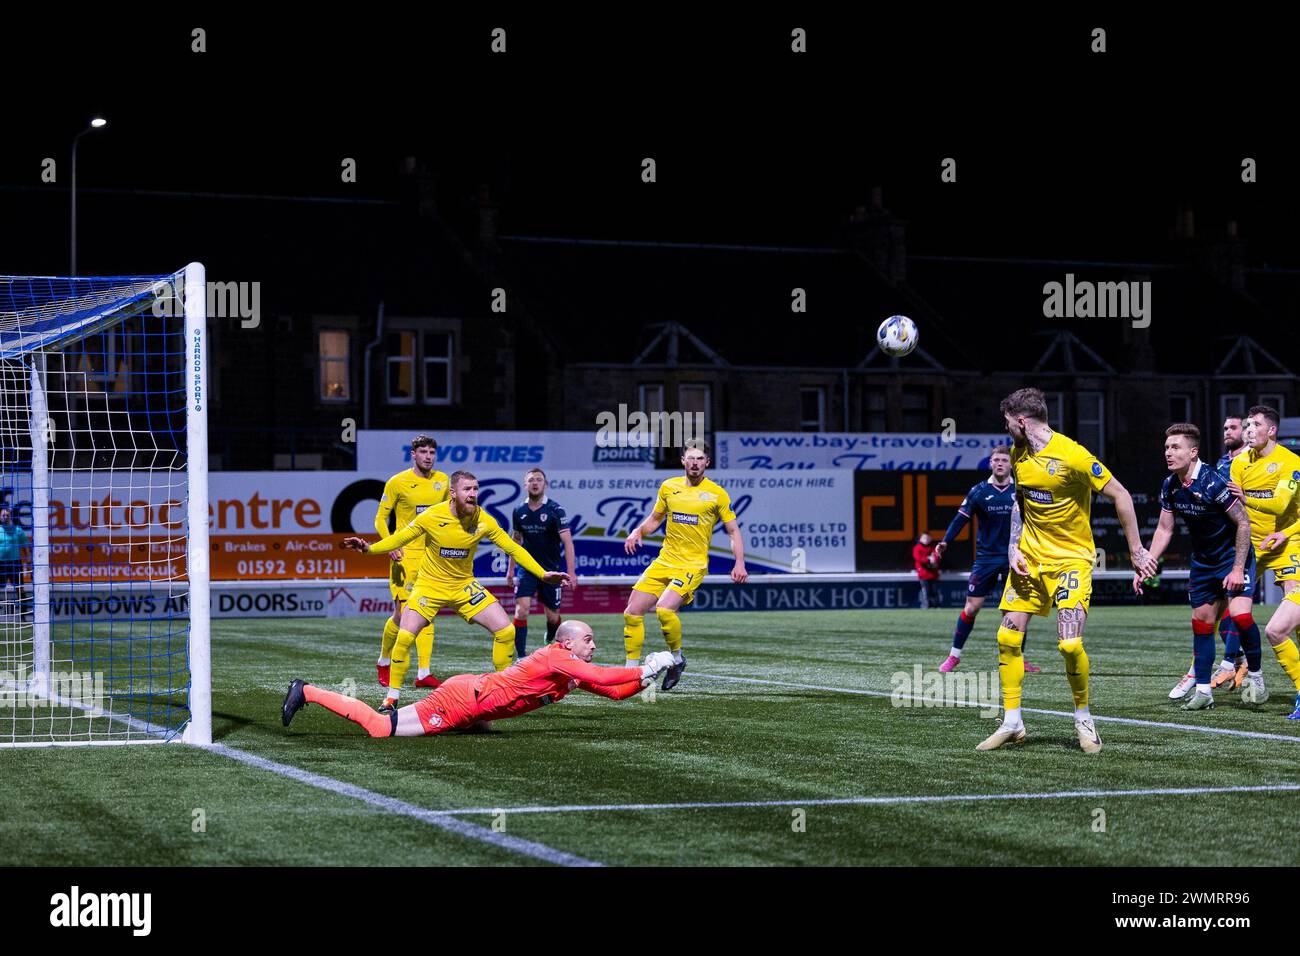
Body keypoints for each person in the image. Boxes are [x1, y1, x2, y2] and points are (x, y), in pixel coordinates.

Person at [977, 387, 1158, 753]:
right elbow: (1019, 503)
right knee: (1007, 639)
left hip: (1071, 561)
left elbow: (1121, 495)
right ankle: (1012, 722)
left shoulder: (1073, 455)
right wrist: (1013, 546)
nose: (1006, 430)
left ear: (1022, 421)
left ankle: (1084, 718)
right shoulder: (1019, 453)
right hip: (1030, 560)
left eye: (1008, 423)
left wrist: (1136, 549)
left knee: (1070, 644)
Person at [341, 471, 568, 711]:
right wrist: (368, 549)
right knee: (405, 636)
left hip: (463, 586)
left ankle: (504, 691)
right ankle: (391, 697)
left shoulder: (483, 520)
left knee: (505, 630)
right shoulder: (432, 516)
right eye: (467, 489)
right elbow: (400, 538)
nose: (473, 494)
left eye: (475, 489)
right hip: (430, 586)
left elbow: (513, 548)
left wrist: (542, 574)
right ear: (452, 493)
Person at [281, 620, 674, 737]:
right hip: (462, 700)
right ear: (567, 643)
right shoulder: (560, 659)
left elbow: (613, 691)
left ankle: (473, 724)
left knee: (481, 727)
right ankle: (307, 690)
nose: (593, 644)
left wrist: (647, 679)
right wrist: (649, 665)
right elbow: (603, 673)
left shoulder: (567, 670)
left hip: (473, 701)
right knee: (381, 729)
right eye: (588, 639)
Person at [1137, 424, 1261, 711]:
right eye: (1167, 447)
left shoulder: (1213, 482)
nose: (1168, 452)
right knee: (1201, 625)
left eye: (1175, 447)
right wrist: (1146, 563)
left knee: (1241, 618)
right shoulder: (1170, 485)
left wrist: (1236, 567)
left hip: (1232, 558)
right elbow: (1165, 529)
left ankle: (1256, 675)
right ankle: (1204, 691)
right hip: (1203, 563)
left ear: (1193, 452)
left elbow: (1243, 523)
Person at [622, 440, 747, 691]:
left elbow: (733, 531)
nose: (695, 463)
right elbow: (655, 518)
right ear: (683, 461)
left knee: (665, 610)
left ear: (707, 463)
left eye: (700, 459)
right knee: (632, 612)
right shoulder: (669, 487)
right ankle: (629, 672)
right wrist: (638, 531)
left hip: (692, 564)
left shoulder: (717, 494)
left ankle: (677, 659)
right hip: (665, 560)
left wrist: (740, 562)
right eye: (691, 458)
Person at [932, 446, 1038, 673]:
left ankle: (1018, 657)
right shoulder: (979, 491)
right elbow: (961, 518)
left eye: (1004, 460)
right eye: (996, 460)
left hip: (1015, 557)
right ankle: (954, 656)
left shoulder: (1021, 490)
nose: (1000, 463)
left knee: (1015, 610)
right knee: (972, 608)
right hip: (986, 557)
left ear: (1011, 464)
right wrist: (946, 541)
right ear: (990, 464)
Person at [1227, 405, 1300, 719]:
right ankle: (1243, 661)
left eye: (1255, 424)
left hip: (1287, 543)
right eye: (1247, 424)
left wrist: (1246, 497)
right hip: (1250, 549)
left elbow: (1282, 502)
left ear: (1272, 430)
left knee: (1284, 626)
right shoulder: (1239, 461)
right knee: (1228, 612)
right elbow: (1232, 507)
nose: (1249, 429)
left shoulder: (1289, 461)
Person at [372, 435, 450, 699]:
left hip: (431, 556)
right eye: (423, 452)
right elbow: (381, 518)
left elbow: (444, 517)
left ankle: (423, 673)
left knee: (427, 611)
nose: (428, 456)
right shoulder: (397, 482)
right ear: (413, 454)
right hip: (403, 555)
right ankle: (384, 661)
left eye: (432, 452)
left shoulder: (443, 481)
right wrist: (389, 543)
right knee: (402, 612)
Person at [505, 468, 576, 657]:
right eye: (531, 480)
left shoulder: (555, 510)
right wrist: (511, 570)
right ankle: (520, 657)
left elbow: (567, 542)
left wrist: (571, 572)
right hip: (526, 570)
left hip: (551, 571)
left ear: (545, 484)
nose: (535, 483)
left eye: (539, 480)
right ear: (525, 484)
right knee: (521, 610)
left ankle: (551, 636)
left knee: (553, 618)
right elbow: (516, 542)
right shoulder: (518, 511)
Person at [0, 506, 29, 612]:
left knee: (20, 588)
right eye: (3, 515)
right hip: (1, 564)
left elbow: (26, 546)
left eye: (7, 515)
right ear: (0, 517)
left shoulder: (18, 530)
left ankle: (23, 615)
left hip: (15, 563)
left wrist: (28, 561)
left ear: (11, 516)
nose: (5, 517)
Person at [912, 533, 941, 609]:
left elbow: (937, 557)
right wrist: (928, 559)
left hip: (933, 574)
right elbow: (918, 558)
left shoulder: (933, 548)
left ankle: (936, 605)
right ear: (920, 539)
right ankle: (926, 605)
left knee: (934, 591)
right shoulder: (917, 548)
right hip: (923, 574)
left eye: (928, 538)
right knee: (926, 591)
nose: (926, 540)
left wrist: (934, 560)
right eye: (924, 538)